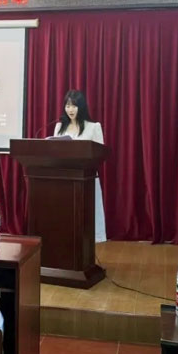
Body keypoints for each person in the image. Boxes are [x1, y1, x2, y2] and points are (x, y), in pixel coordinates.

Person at [53, 89, 106, 243]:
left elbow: (100, 153)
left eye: (74, 106)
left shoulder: (93, 127)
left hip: (86, 178)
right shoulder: (59, 127)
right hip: (64, 177)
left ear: (81, 107)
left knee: (86, 215)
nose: (70, 109)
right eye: (67, 105)